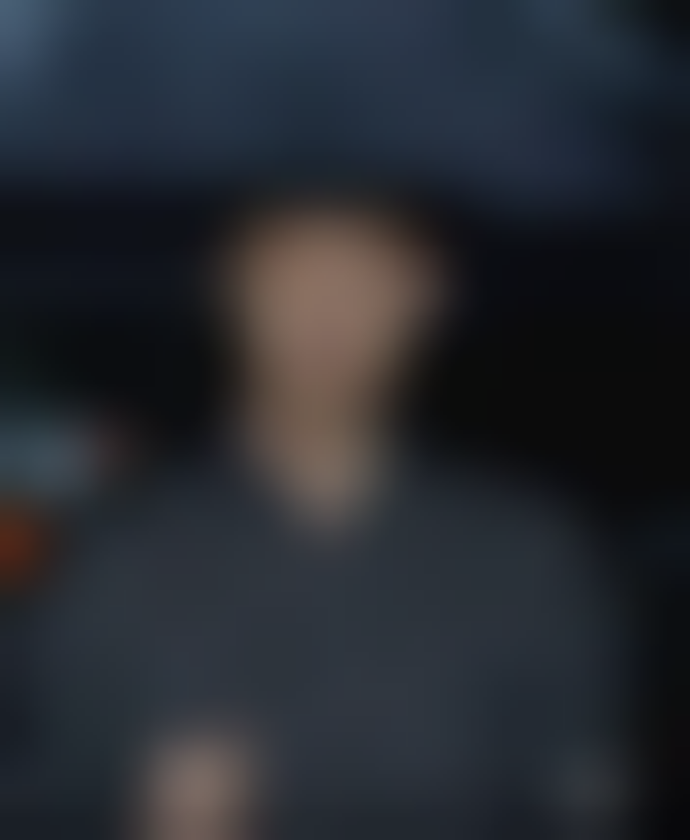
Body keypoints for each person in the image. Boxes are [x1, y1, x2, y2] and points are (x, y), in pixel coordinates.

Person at [26, 183, 631, 840]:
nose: (326, 314)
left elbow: (584, 804)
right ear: (229, 289)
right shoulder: (113, 556)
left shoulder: (531, 555)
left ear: (428, 299)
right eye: (291, 275)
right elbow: (41, 795)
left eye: (365, 279)